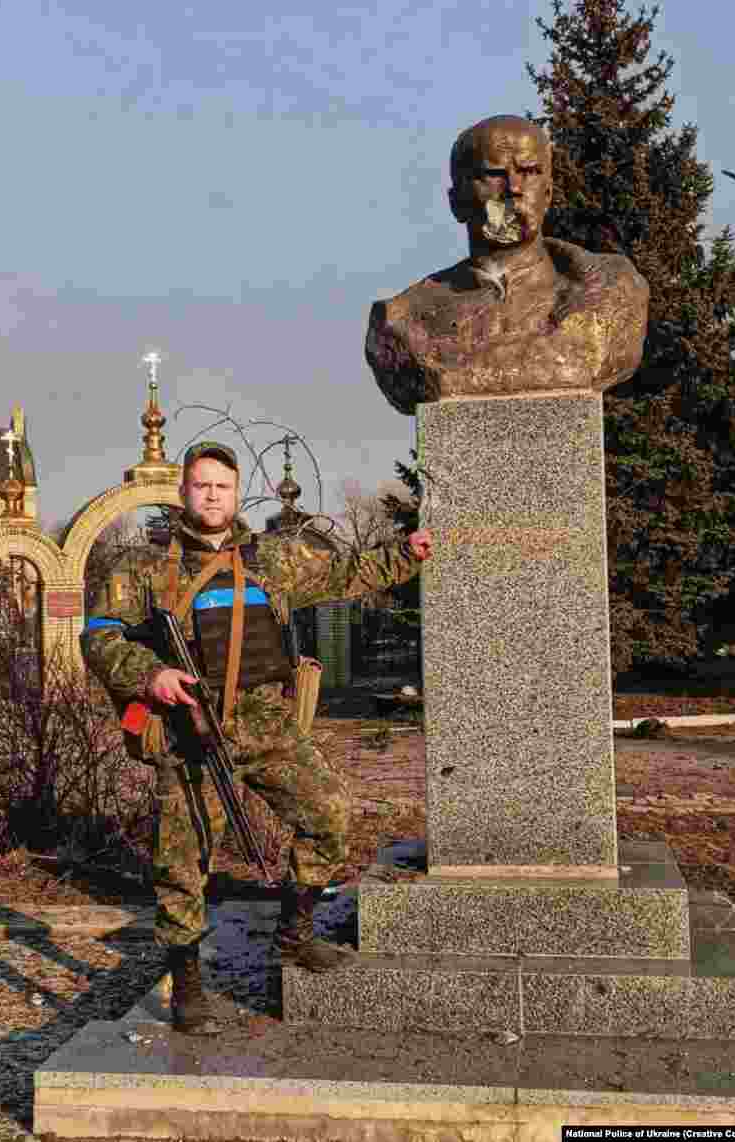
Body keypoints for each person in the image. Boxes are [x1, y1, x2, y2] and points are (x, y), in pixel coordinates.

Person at [82, 441, 433, 1033]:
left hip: (269, 728)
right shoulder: (141, 566)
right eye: (201, 485)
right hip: (191, 732)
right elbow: (99, 635)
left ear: (237, 492)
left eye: (222, 485)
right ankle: (187, 984)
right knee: (183, 861)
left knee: (329, 812)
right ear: (184, 492)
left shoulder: (272, 559)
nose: (212, 495)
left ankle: (294, 935)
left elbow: (347, 574)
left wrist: (409, 553)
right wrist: (152, 675)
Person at [365, 114, 649, 414]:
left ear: (548, 194)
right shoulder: (402, 320)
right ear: (456, 202)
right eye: (492, 174)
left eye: (528, 171)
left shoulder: (614, 295)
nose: (513, 187)